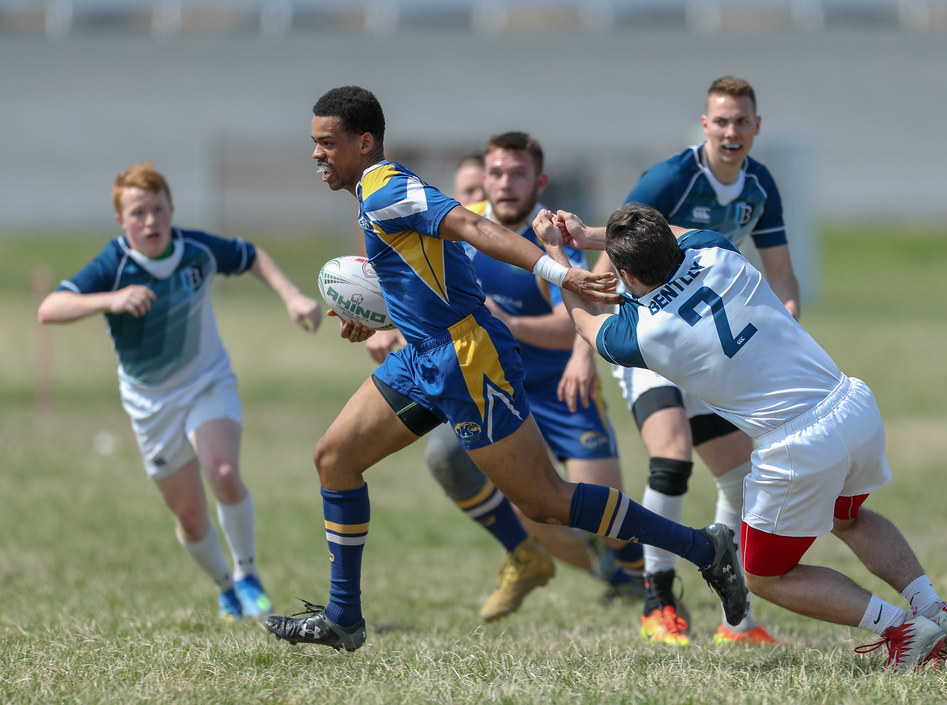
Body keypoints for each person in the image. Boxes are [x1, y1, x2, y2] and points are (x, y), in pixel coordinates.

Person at [262, 85, 748, 653]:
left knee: (544, 499)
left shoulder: (386, 185)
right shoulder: (373, 193)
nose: (317, 153)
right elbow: (426, 272)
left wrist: (558, 272)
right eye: (314, 143)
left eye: (327, 143)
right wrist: (377, 316)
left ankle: (705, 548)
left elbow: (471, 226)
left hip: (466, 358)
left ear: (363, 142)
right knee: (334, 458)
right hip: (421, 355)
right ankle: (344, 619)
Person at [533, 202, 947, 672]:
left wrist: (558, 253)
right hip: (851, 403)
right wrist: (589, 235)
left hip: (798, 443)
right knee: (850, 518)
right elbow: (678, 230)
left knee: (764, 576)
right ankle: (934, 608)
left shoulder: (645, 333)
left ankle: (904, 629)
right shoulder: (714, 250)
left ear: (624, 272)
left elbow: (583, 323)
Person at [367, 132, 645, 621]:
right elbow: (408, 278)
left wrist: (508, 323)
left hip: (562, 392)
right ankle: (557, 564)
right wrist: (378, 320)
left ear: (538, 181)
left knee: (608, 520)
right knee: (505, 492)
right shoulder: (459, 221)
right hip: (493, 385)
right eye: (496, 173)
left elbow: (570, 328)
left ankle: (649, 587)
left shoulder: (550, 238)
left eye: (517, 174)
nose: (505, 184)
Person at [36, 162, 324, 621]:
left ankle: (248, 574)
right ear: (121, 221)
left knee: (224, 471)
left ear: (171, 209)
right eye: (138, 213)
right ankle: (225, 587)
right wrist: (110, 299)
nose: (150, 222)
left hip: (207, 380)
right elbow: (49, 308)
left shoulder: (195, 250)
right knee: (189, 515)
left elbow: (250, 255)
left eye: (157, 209)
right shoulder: (115, 265)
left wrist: (292, 296)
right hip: (150, 403)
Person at [593, 76, 797, 646]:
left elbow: (780, 272)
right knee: (673, 457)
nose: (731, 132)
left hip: (708, 342)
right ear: (705, 126)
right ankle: (657, 601)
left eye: (742, 122)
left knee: (738, 475)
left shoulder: (760, 185)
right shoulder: (670, 180)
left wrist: (787, 327)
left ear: (756, 127)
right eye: (721, 121)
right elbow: (616, 249)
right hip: (652, 337)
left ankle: (735, 619)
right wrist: (587, 348)